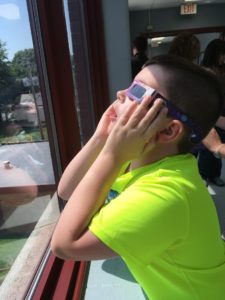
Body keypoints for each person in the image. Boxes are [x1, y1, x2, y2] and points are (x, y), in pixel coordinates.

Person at [51, 55, 225, 300]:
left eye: (138, 90)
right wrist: (101, 138)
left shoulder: (166, 193)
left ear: (169, 130)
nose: (121, 93)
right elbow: (68, 191)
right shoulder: (148, 159)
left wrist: (111, 154)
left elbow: (64, 246)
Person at [198, 39, 225, 186]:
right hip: (209, 112)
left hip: (220, 110)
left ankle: (215, 175)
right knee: (208, 148)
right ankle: (204, 176)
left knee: (219, 145)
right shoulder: (205, 72)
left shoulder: (221, 70)